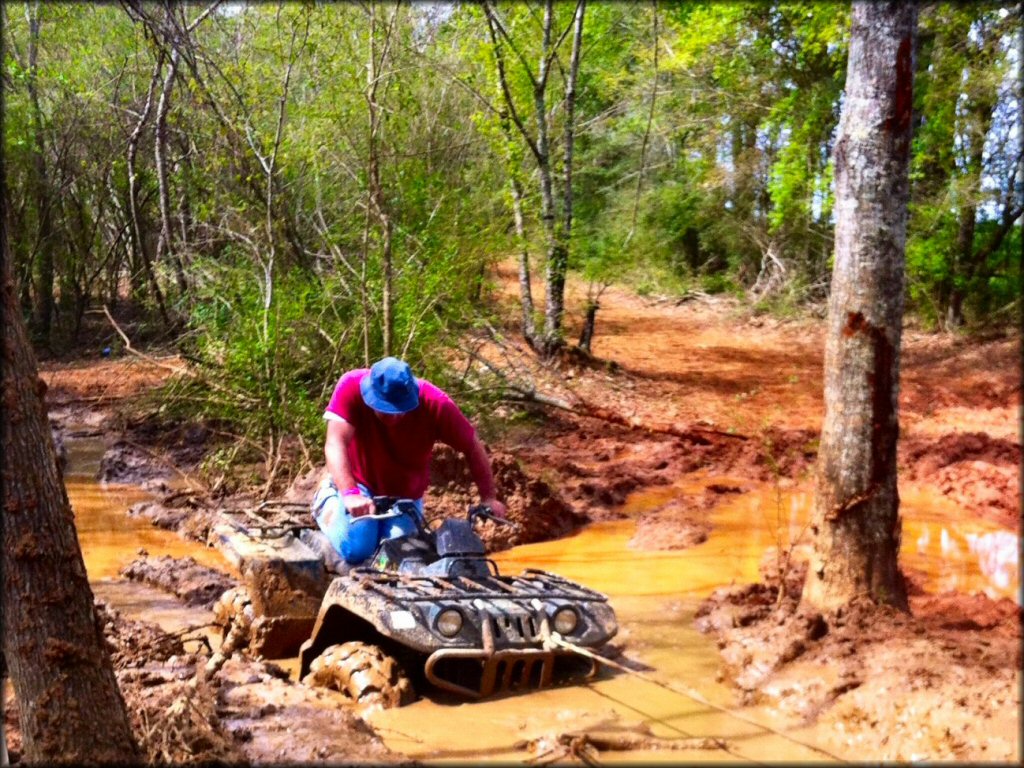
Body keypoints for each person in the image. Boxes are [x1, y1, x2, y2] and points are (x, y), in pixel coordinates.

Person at [312, 356, 508, 564]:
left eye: (400, 410)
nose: (394, 417)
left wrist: (489, 497)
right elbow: (335, 442)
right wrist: (350, 493)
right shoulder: (351, 386)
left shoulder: (436, 403)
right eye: (386, 410)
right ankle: (325, 502)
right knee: (359, 546)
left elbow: (472, 446)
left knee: (399, 554)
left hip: (404, 497)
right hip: (360, 484)